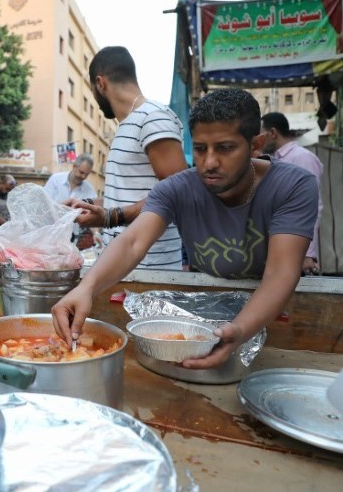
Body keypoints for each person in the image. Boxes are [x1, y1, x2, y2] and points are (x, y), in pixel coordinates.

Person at [52, 88, 318, 369]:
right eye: (201, 149)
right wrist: (86, 287)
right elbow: (132, 243)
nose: (209, 163)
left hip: (278, 325)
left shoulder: (294, 185)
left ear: (256, 145)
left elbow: (280, 272)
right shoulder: (177, 189)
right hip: (204, 322)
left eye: (225, 148)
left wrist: (240, 330)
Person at [73, 46, 188, 269]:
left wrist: (109, 217)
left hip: (151, 271)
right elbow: (132, 197)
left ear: (100, 83)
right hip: (123, 270)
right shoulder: (129, 124)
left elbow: (179, 193)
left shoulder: (153, 117)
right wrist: (87, 205)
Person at [261, 112, 324, 275]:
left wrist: (307, 253)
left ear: (273, 133)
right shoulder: (273, 160)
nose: (259, 140)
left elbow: (313, 208)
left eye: (262, 134)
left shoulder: (302, 158)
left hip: (296, 251)